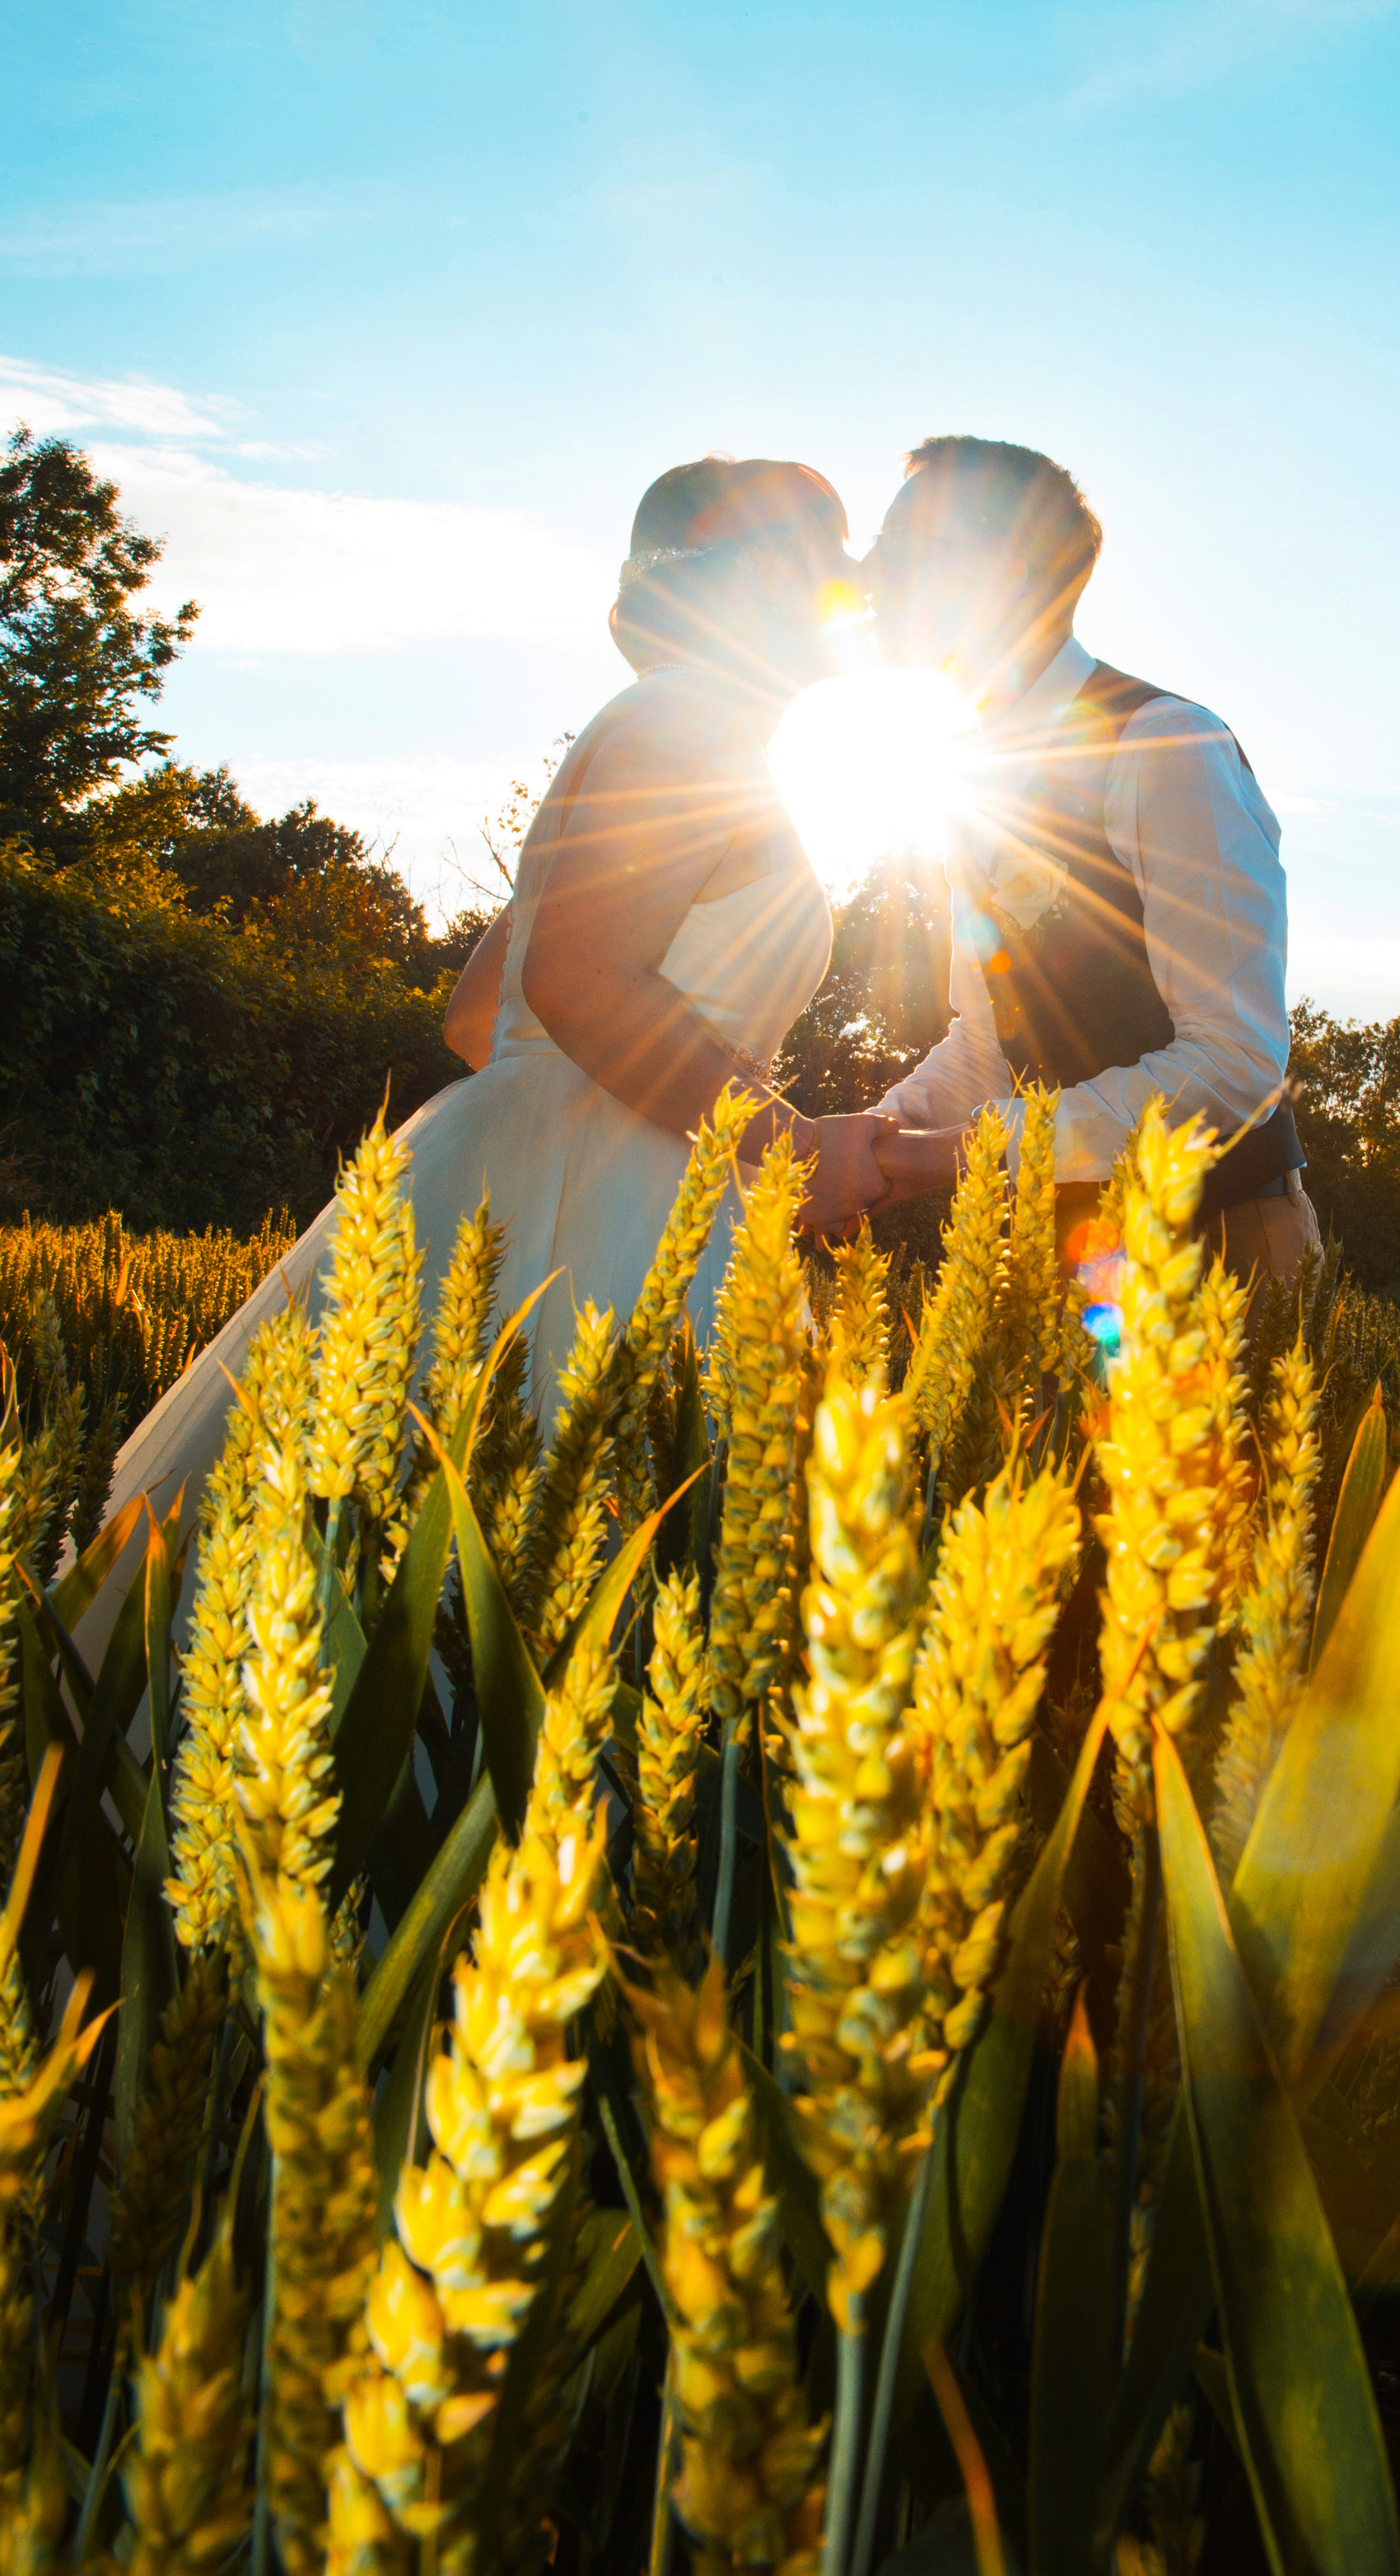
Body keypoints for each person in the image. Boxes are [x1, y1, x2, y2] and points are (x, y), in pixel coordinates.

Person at [77, 454, 886, 1671]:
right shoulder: (691, 722)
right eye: (829, 547)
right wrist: (779, 1144)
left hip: (516, 1168)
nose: (855, 576)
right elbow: (574, 982)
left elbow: (479, 1012)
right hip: (634, 1200)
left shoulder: (664, 719)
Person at [861, 433, 1318, 1289]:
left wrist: (950, 1158)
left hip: (1221, 1248)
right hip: (1063, 1255)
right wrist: (872, 1137)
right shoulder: (964, 777)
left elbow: (1233, 1060)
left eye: (900, 548)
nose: (868, 572)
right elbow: (988, 1044)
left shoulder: (1164, 743)